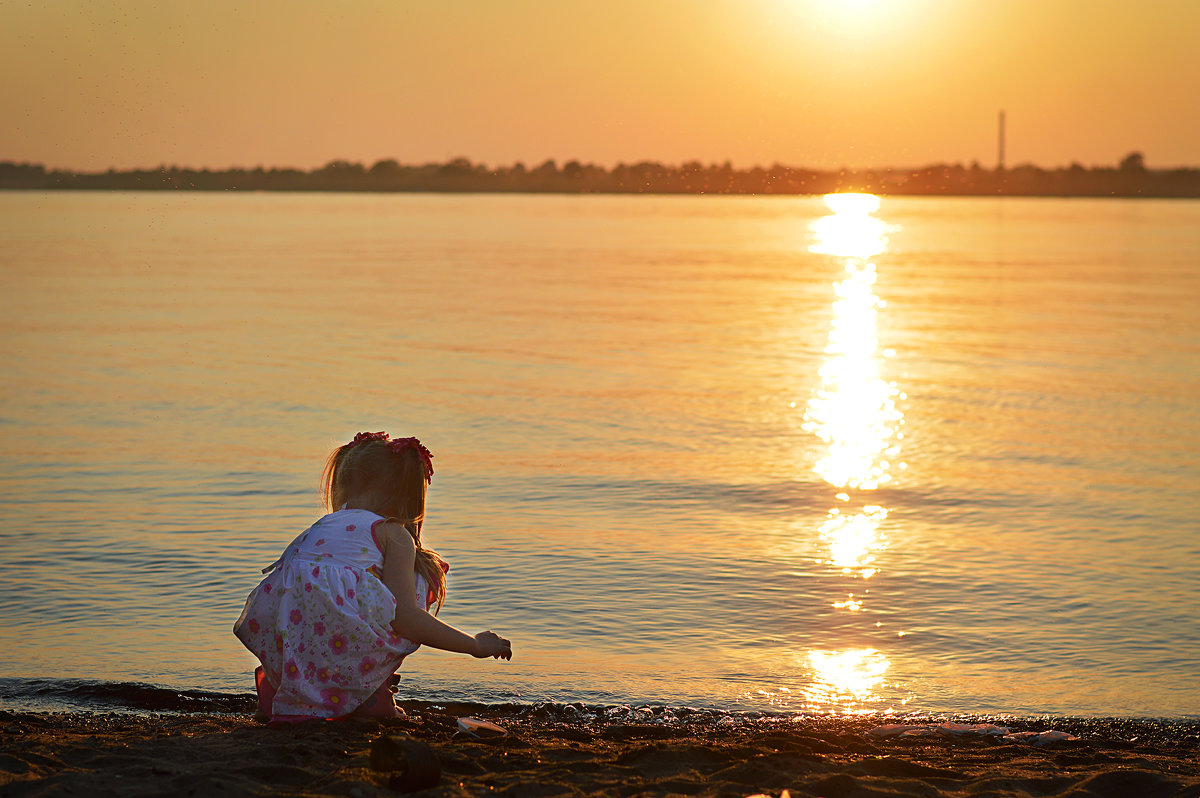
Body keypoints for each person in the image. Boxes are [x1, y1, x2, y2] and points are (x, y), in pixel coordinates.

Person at [233, 431, 512, 723]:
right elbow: (405, 617)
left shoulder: (326, 525)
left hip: (276, 628)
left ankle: (281, 691)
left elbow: (305, 592)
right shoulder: (394, 535)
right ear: (407, 493)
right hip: (324, 632)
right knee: (421, 577)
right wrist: (474, 645)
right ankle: (365, 693)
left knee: (345, 593)